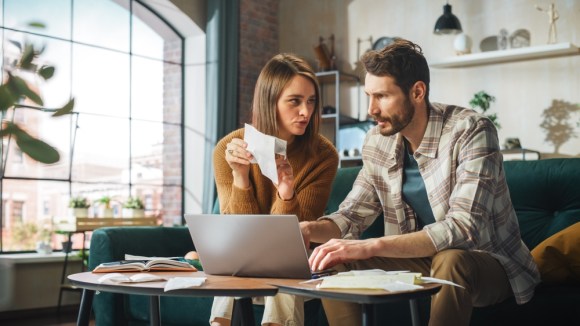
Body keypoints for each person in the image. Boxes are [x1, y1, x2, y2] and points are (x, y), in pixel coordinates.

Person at [300, 39, 540, 326]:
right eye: (369, 96)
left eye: (382, 97)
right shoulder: (377, 142)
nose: (371, 110)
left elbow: (464, 228)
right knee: (332, 258)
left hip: (488, 262)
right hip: (421, 260)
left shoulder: (471, 130)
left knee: (451, 260)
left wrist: (371, 246)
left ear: (417, 92)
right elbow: (352, 215)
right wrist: (308, 230)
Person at [209, 53, 339, 326]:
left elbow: (291, 237)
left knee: (284, 261)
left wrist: (286, 192)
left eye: (311, 101)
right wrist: (241, 178)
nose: (306, 111)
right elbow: (236, 234)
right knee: (231, 260)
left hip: (294, 258)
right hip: (242, 258)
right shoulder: (227, 149)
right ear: (270, 102)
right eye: (295, 101)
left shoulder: (323, 156)